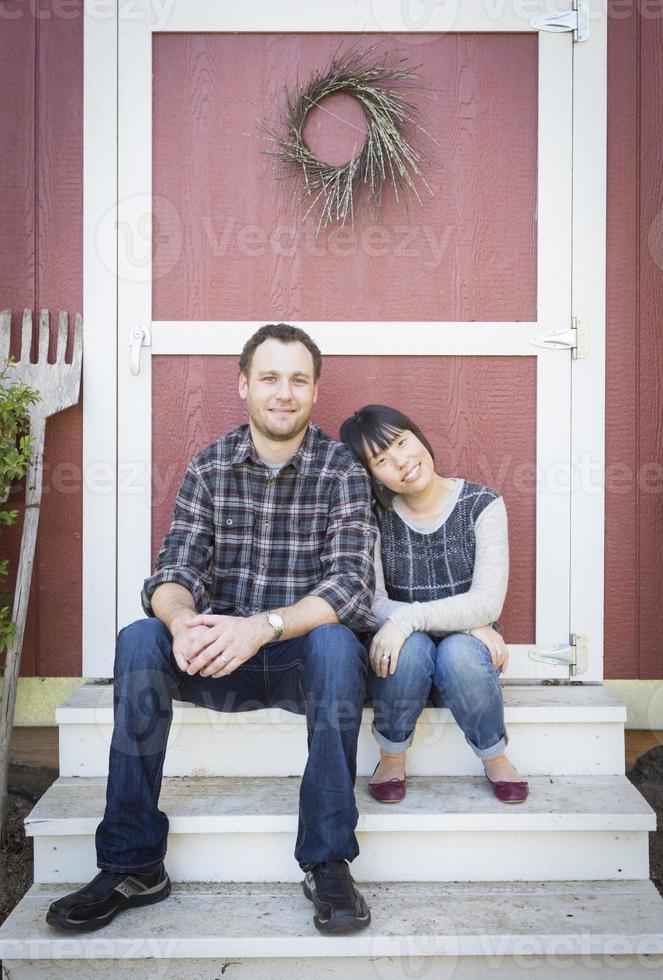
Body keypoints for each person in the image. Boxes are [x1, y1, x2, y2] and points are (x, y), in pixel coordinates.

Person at [47, 324, 379, 936]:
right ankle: (133, 862)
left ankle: (328, 861)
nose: (284, 392)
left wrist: (261, 628)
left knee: (336, 643)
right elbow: (174, 571)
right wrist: (178, 621)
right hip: (213, 659)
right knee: (139, 636)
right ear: (245, 385)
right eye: (270, 378)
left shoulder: (341, 471)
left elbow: (351, 589)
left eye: (298, 380)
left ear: (314, 390)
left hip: (294, 661)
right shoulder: (210, 466)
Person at [340, 404, 528, 805]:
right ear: (373, 475)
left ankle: (494, 757)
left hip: (467, 669)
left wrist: (410, 617)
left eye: (402, 442)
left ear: (419, 436)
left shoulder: (483, 504)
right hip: (402, 668)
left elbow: (488, 602)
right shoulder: (373, 517)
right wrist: (461, 620)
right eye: (382, 460)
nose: (402, 462)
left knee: (459, 652)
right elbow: (371, 602)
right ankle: (391, 755)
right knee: (411, 646)